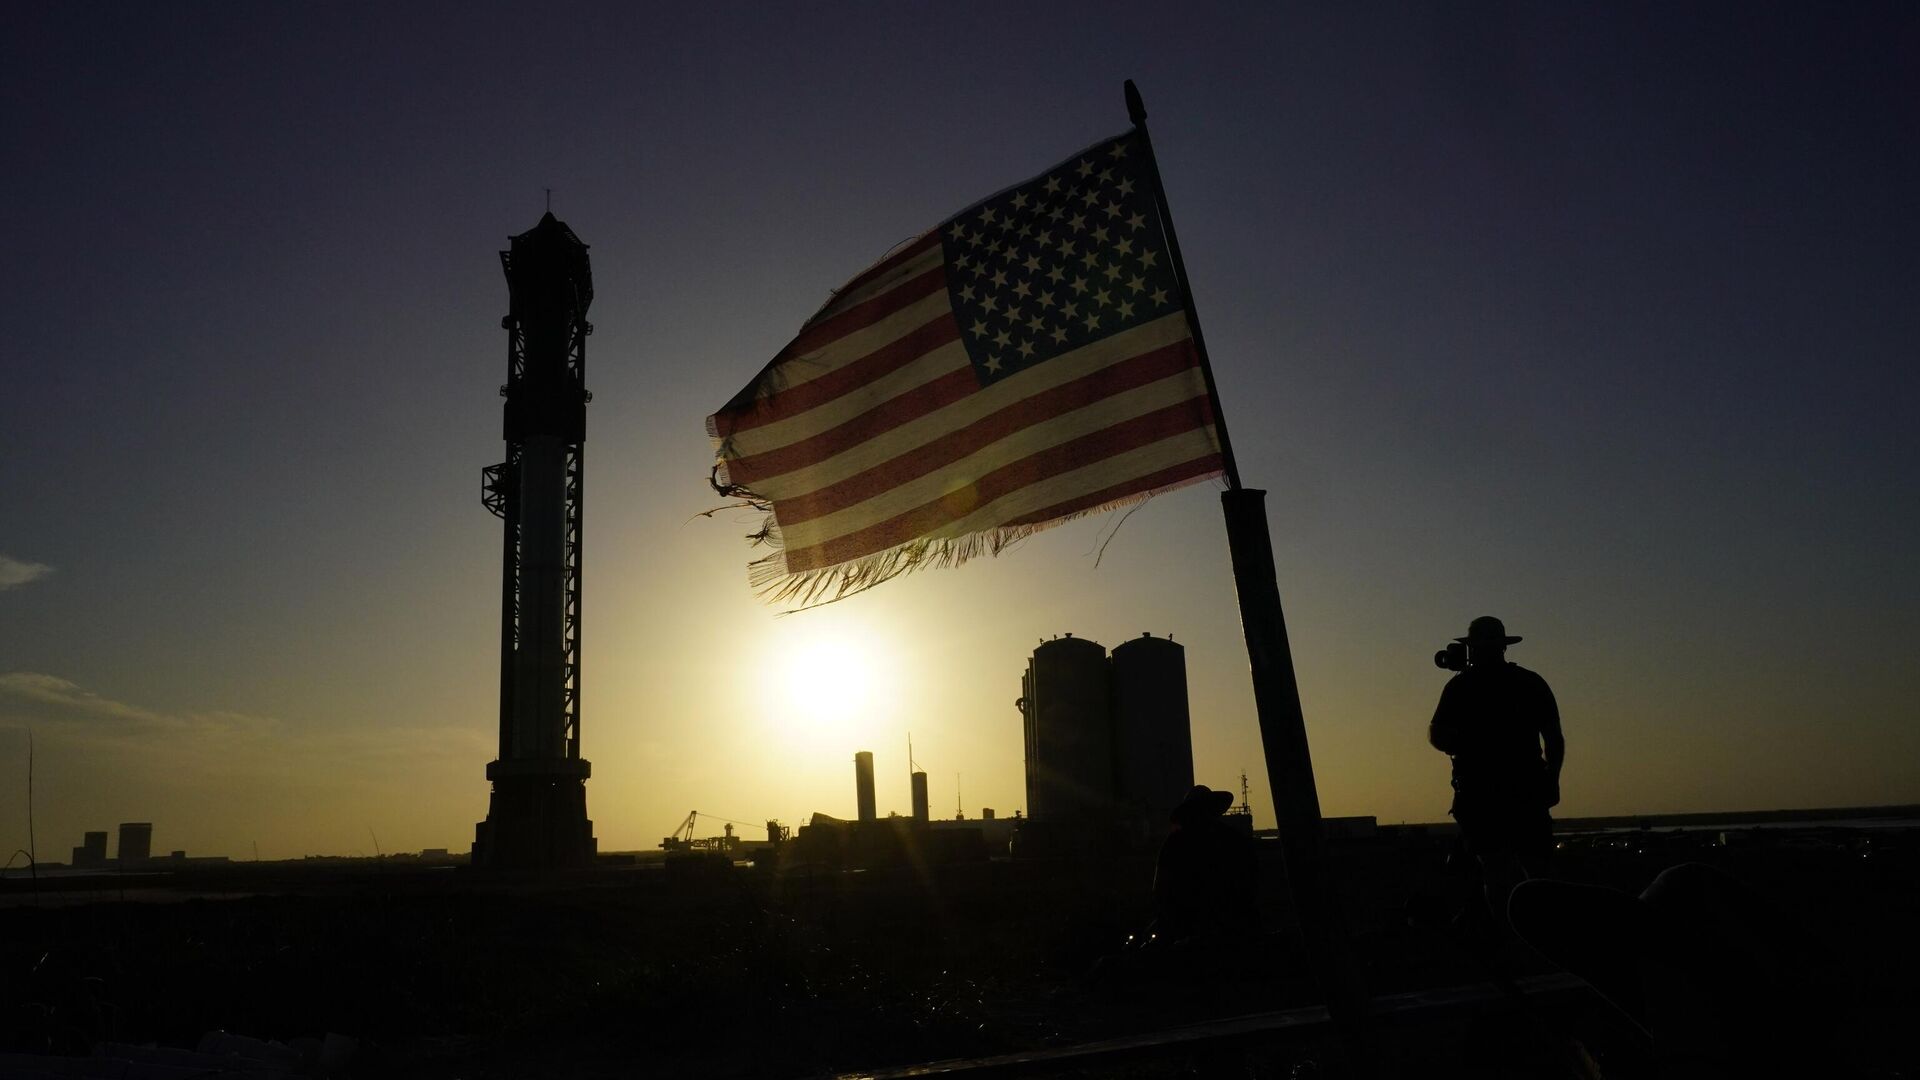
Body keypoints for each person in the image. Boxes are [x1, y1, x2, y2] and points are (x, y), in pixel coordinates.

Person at [1428, 616, 1564, 912]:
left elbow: (1437, 734)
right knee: (1526, 871)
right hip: (1512, 792)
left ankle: (1517, 935)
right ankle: (1534, 934)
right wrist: (1551, 779)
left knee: (1502, 872)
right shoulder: (1529, 683)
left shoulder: (1462, 686)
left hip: (1488, 793)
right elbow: (1553, 738)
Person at [1149, 784, 1258, 943]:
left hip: (1189, 926)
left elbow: (1160, 889)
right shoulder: (1232, 838)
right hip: (1229, 924)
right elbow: (1252, 877)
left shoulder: (1175, 842)